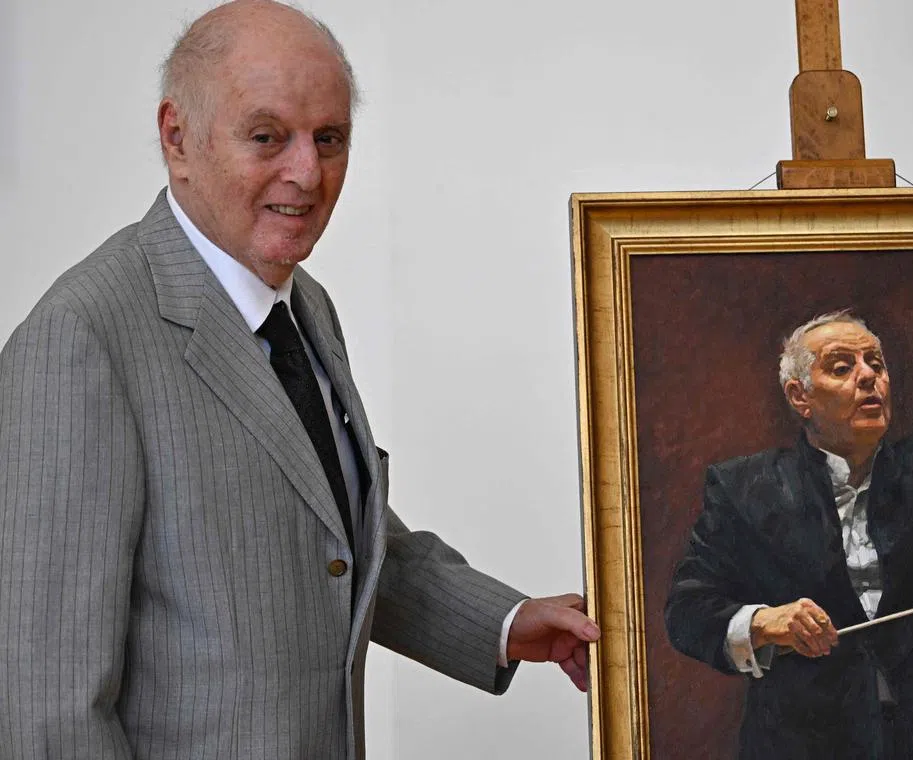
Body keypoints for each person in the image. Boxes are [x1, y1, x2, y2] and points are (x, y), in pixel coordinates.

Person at [0, 2, 597, 758]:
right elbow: (48, 716)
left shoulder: (302, 303)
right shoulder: (79, 340)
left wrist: (505, 623)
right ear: (176, 138)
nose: (307, 173)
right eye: (266, 137)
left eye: (330, 138)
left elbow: (331, 534)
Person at [664, 274, 913, 759]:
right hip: (801, 745)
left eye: (876, 364)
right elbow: (687, 610)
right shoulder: (743, 489)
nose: (868, 377)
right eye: (842, 367)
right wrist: (764, 621)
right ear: (800, 397)